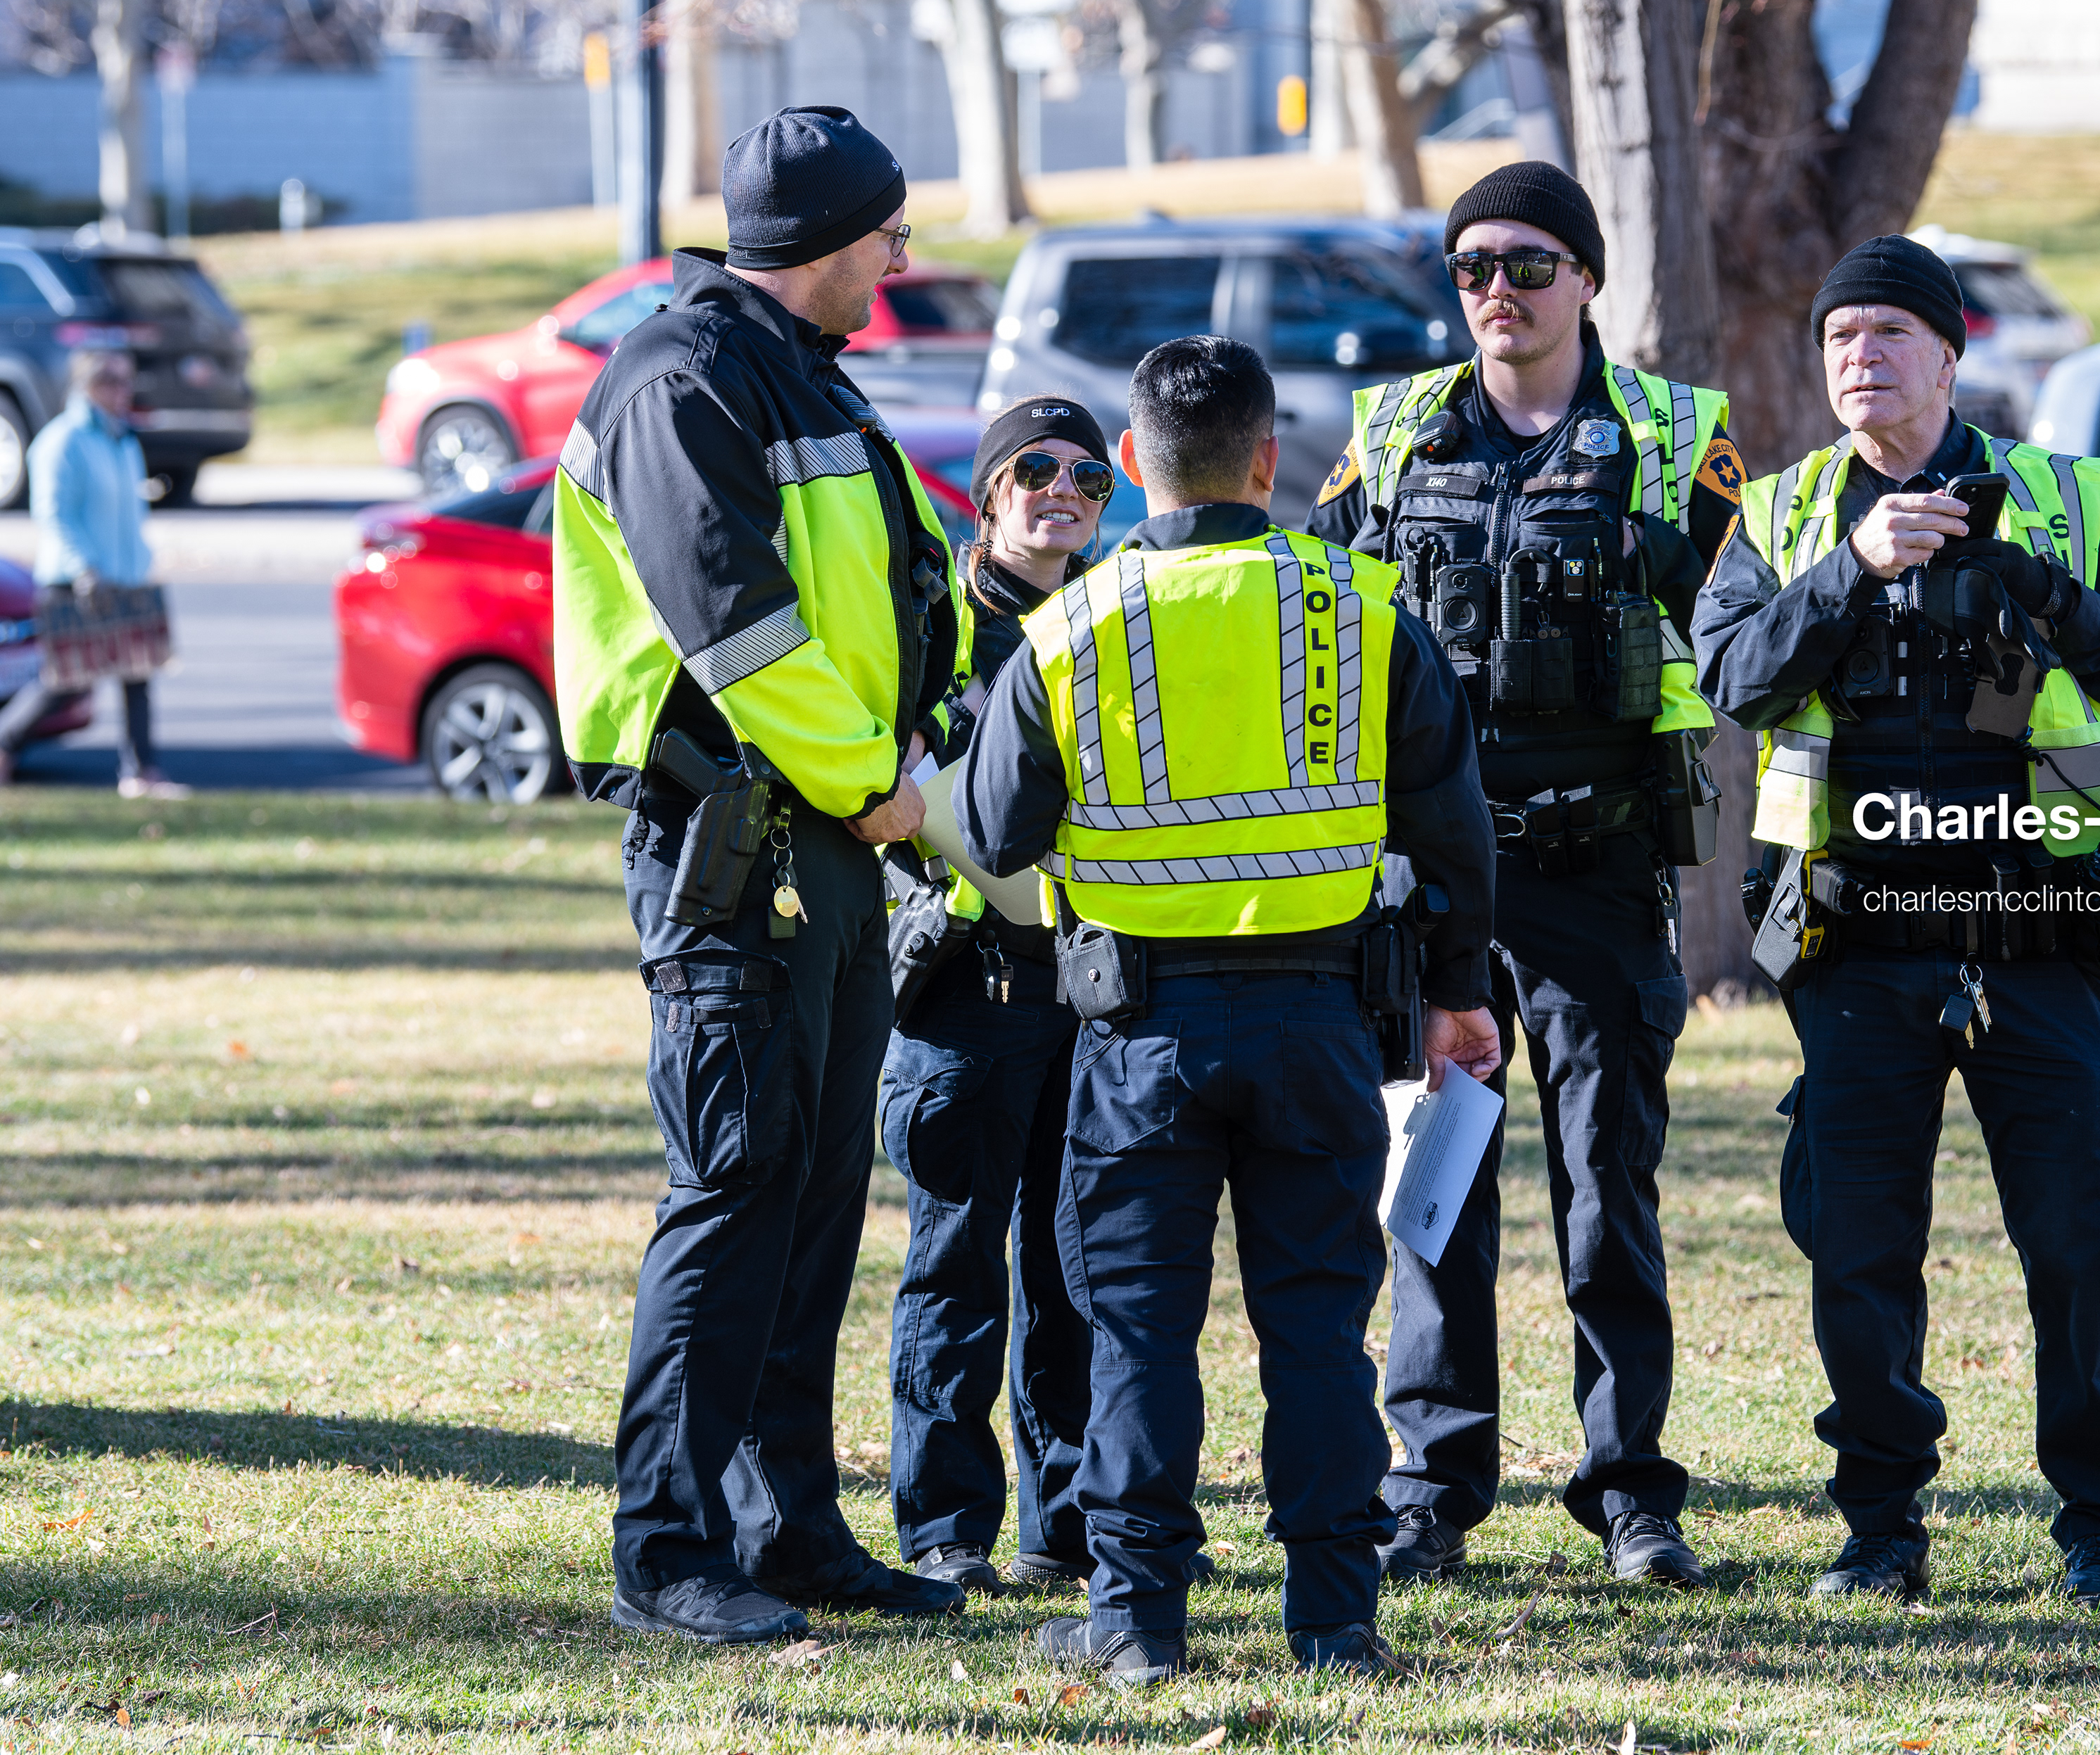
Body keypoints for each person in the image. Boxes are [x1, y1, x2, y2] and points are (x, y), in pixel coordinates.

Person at [959, 334, 1500, 1685]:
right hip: (1324, 1027)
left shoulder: (1068, 631)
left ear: (1133, 466)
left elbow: (990, 825)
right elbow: (1456, 833)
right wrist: (1455, 997)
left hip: (1139, 1038)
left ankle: (1137, 1624)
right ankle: (1334, 1621)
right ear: (1273, 462)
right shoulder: (1364, 611)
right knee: (1317, 1329)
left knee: (1138, 1331)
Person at [1693, 233, 2100, 1609]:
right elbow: (1733, 674)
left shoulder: (2053, 500)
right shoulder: (1790, 516)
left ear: (1947, 354)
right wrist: (1853, 567)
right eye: (1839, 339)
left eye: (1887, 335)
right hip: (1859, 946)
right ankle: (1879, 1531)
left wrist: (2045, 590)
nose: (1860, 358)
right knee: (1858, 1249)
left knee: (2080, 1240)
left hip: (2036, 935)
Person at [550, 103, 967, 1645]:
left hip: (835, 854)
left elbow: (909, 600)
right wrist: (879, 783)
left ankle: (784, 1526)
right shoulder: (679, 382)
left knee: (806, 1198)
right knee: (731, 1190)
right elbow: (742, 635)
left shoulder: (804, 380)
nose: (902, 261)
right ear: (824, 244)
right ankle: (666, 1545)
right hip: (738, 852)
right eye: (891, 235)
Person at [1305, 160, 1751, 1589]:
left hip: (1597, 863)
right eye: (1475, 264)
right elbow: (1313, 613)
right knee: (1432, 1184)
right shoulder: (1388, 435)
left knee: (1606, 1182)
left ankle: (1629, 1487)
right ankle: (1432, 1479)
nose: (1501, 287)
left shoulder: (1675, 439)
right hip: (1435, 882)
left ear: (1588, 279)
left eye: (1533, 262)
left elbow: (1745, 624)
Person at [880, 395, 1116, 1598]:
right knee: (956, 1266)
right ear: (990, 491)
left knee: (1073, 1273)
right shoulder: (936, 621)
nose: (1062, 492)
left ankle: (1063, 1526)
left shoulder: (1110, 614)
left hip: (1086, 992)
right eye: (1035, 470)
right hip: (967, 992)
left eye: (1089, 476)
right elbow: (889, 783)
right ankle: (944, 1528)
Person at [0, 349, 183, 797]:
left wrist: (141, 561)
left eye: (126, 382)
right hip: (76, 580)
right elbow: (55, 515)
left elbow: (130, 511)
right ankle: (5, 742)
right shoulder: (62, 441)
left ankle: (142, 771)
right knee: (68, 682)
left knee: (138, 676)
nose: (123, 392)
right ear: (87, 386)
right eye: (112, 383)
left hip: (127, 577)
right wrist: (86, 567)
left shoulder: (121, 439)